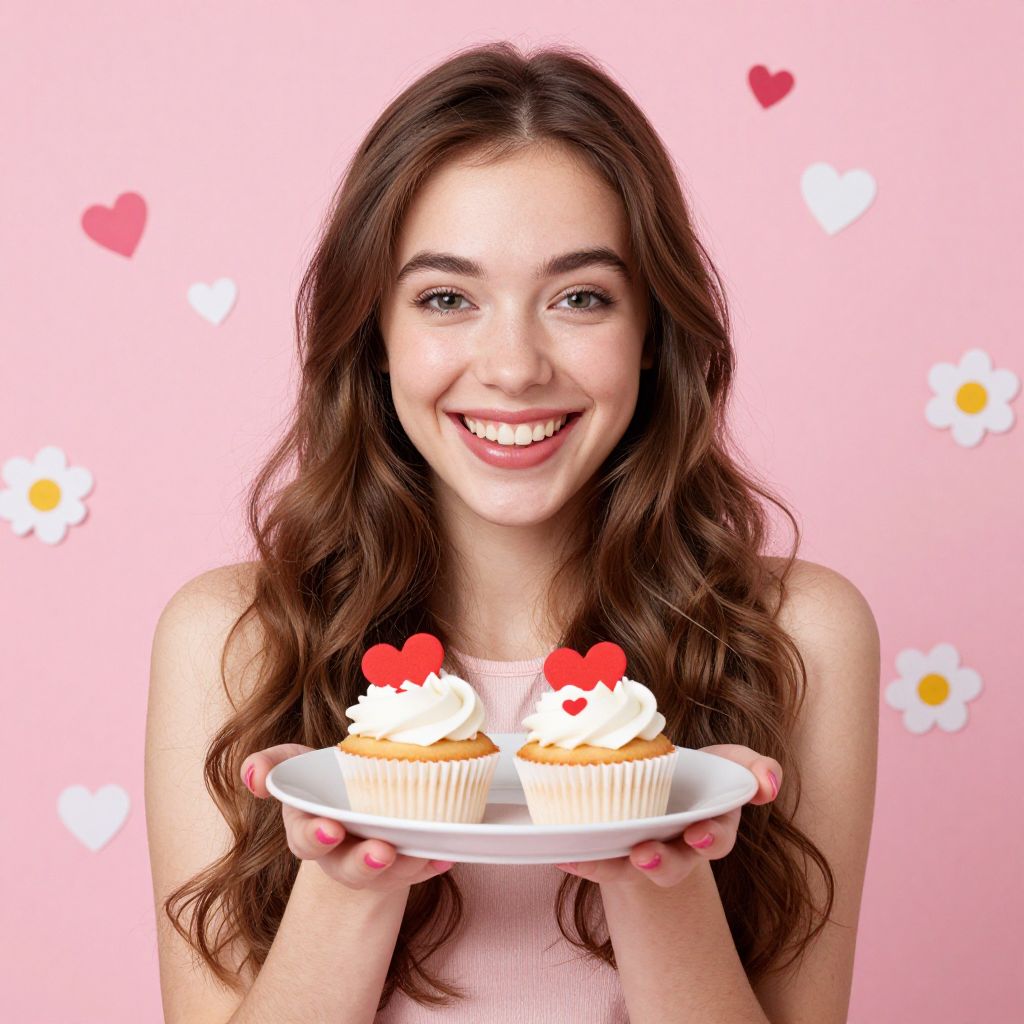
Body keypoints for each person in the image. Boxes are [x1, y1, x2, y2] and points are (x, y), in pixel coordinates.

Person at [145, 40, 879, 1024]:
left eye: (579, 298)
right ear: (374, 337)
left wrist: (658, 876)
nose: (513, 366)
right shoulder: (232, 637)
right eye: (446, 298)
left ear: (655, 333)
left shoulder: (798, 635)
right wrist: (348, 877)